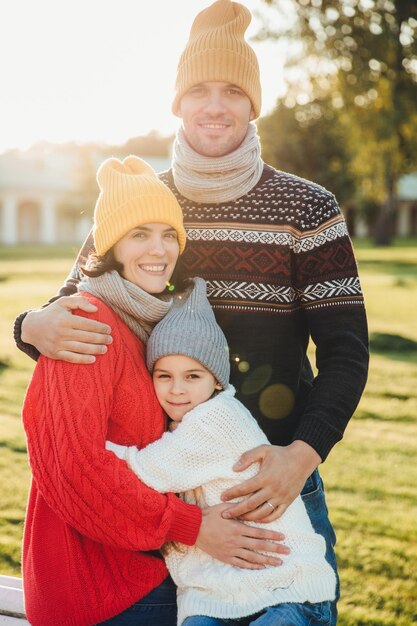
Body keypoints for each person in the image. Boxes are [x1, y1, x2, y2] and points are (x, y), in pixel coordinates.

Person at [15, 1, 369, 621]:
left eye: (233, 90)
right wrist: (29, 326)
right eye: (198, 90)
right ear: (176, 102)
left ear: (253, 104)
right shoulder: (141, 202)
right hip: (171, 493)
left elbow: (347, 351)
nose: (214, 105)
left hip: (274, 482)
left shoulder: (307, 208)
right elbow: (76, 300)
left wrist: (300, 458)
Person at [20, 156, 285, 626]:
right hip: (101, 589)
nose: (157, 249)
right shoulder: (88, 323)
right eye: (139, 234)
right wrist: (195, 528)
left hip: (143, 568)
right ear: (112, 246)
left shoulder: (147, 324)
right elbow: (74, 469)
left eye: (168, 235)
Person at [106, 276, 337, 626]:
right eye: (163, 375)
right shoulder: (184, 423)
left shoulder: (213, 419)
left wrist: (88, 444)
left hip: (287, 590)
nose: (176, 390)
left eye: (192, 376)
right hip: (217, 597)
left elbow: (141, 471)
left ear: (216, 380)